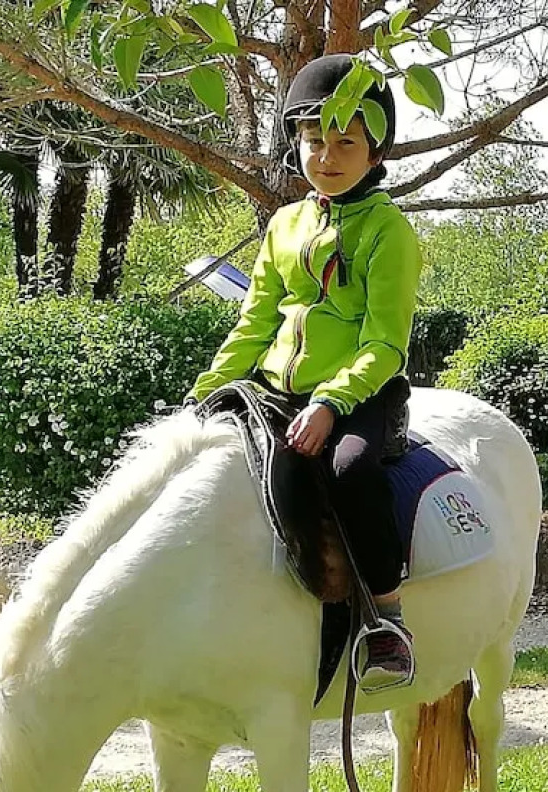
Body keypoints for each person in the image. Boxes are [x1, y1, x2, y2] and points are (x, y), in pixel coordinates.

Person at [187, 54, 422, 691]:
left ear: (375, 153)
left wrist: (330, 402)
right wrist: (207, 391)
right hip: (271, 389)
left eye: (346, 141)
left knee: (347, 471)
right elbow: (256, 321)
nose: (327, 155)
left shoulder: (389, 231)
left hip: (354, 397)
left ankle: (387, 620)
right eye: (315, 140)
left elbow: (384, 344)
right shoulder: (284, 225)